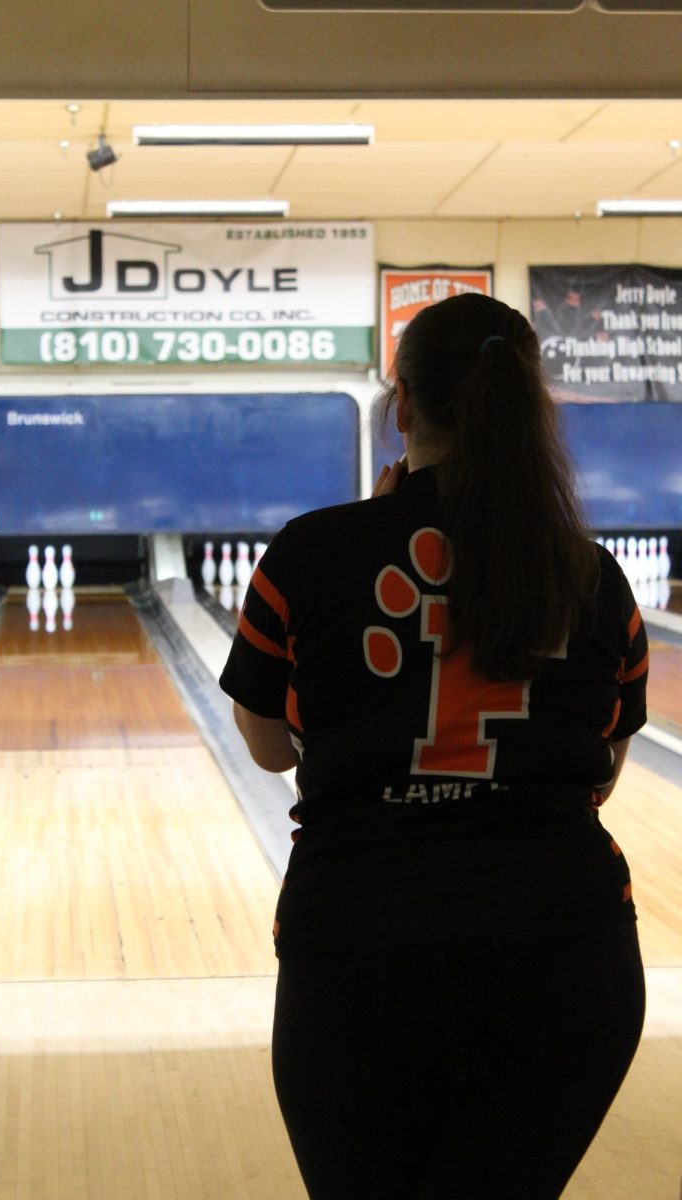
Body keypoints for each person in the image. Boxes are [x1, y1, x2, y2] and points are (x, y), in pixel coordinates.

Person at [218, 292, 648, 1200]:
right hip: (565, 955)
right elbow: (599, 776)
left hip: (363, 949)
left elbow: (268, 748)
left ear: (403, 408)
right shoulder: (593, 578)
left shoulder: (309, 555)